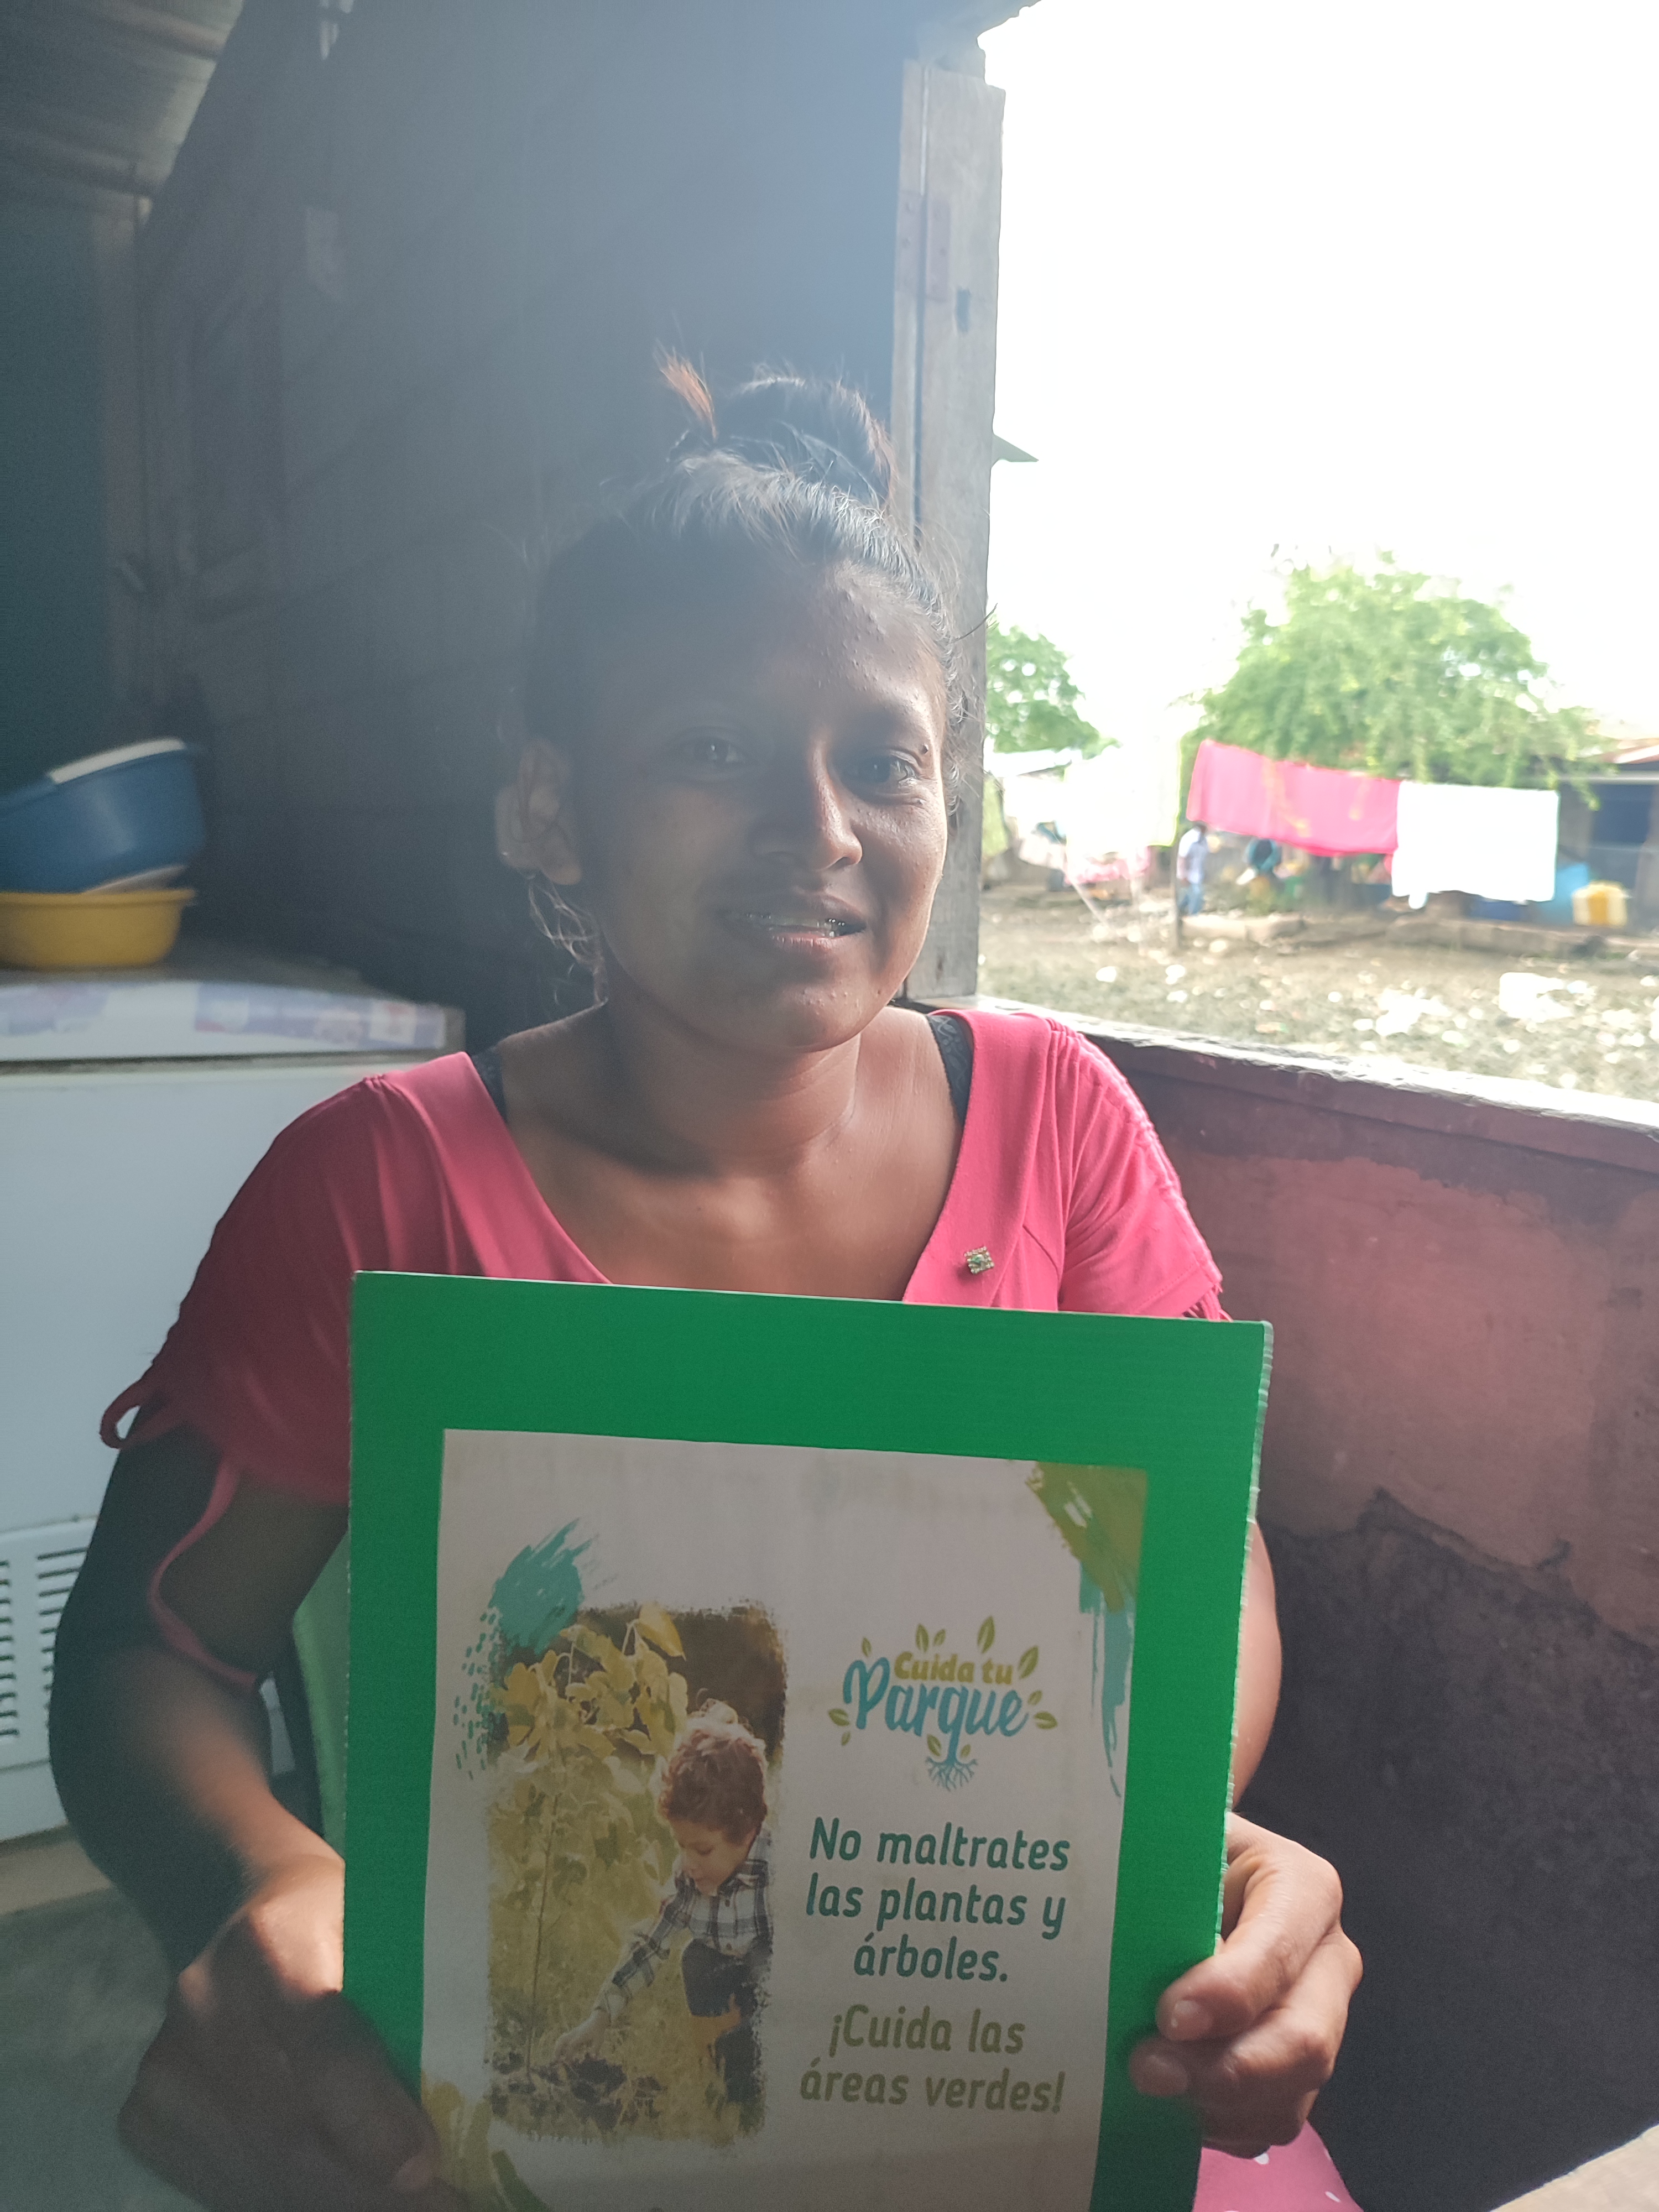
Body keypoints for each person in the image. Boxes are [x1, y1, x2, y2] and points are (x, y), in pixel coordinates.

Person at [50, 362, 1362, 2212]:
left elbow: (1206, 1567)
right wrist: (266, 1886)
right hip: (554, 2085)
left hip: (1007, 2048)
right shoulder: (386, 1184)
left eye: (882, 761)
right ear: (549, 810)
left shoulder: (1060, 1123)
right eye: (715, 752)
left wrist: (1146, 1854)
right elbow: (152, 1655)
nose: (819, 827)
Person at [551, 1704, 772, 2117]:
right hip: (731, 1987)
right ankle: (721, 2079)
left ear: (746, 1833)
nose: (689, 1863)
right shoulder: (691, 1881)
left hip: (776, 1999)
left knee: (768, 1960)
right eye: (682, 1846)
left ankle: (759, 2067)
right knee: (698, 1958)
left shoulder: (778, 1874)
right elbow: (650, 1944)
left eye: (702, 1850)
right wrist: (600, 2017)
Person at [1176, 821, 1210, 916]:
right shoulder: (1189, 839)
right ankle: (1193, 916)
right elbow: (1183, 858)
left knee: (1188, 896)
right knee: (1197, 894)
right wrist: (1183, 875)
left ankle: (1180, 913)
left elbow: (1204, 858)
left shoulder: (1204, 840)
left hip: (1198, 873)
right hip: (1189, 874)